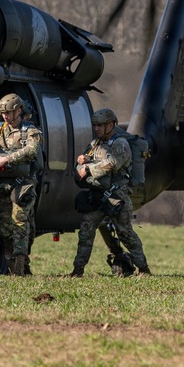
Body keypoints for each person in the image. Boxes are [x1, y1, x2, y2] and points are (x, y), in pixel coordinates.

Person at [69, 108, 150, 277]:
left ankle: (143, 269)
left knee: (126, 233)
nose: (97, 129)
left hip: (117, 197)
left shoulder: (121, 144)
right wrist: (81, 161)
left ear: (111, 125)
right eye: (95, 125)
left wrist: (88, 168)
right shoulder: (94, 145)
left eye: (100, 125)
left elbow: (112, 163)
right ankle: (78, 270)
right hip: (97, 197)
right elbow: (82, 165)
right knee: (86, 231)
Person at [0, 93, 43, 276]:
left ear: (18, 110)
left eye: (8, 112)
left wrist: (7, 159)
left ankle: (18, 267)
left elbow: (32, 150)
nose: (5, 116)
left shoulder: (30, 131)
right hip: (2, 185)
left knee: (20, 222)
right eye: (2, 113)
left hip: (23, 184)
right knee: (7, 226)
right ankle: (14, 264)